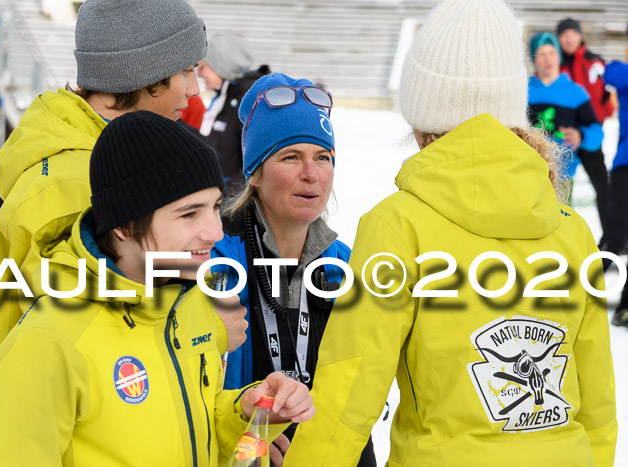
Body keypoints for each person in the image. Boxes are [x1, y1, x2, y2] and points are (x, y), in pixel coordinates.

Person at [285, 1, 617, 466]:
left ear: (422, 112)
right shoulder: (572, 231)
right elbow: (598, 396)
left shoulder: (397, 225)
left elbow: (351, 385)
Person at [0, 111, 315, 466]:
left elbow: (189, 429)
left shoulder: (190, 304)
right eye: (188, 214)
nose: (214, 231)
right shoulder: (48, 342)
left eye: (213, 207)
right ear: (124, 226)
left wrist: (246, 411)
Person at [0, 0, 238, 368]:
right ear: (144, 74)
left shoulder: (122, 158)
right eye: (186, 71)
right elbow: (77, 344)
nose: (195, 89)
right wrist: (209, 329)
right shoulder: (70, 184)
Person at [211, 73, 376, 466]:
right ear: (255, 171)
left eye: (323, 158)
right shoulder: (217, 258)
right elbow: (192, 390)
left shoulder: (342, 264)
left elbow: (360, 386)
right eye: (290, 157)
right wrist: (251, 437)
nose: (311, 174)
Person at [528, 31, 604, 200]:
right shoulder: (524, 91)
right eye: (541, 55)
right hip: (528, 172)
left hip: (562, 175)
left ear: (558, 55)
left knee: (561, 223)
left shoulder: (576, 93)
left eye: (552, 53)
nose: (548, 60)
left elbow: (597, 131)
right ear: (534, 59)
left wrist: (580, 136)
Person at [197, 34, 270, 200]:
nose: (199, 74)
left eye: (203, 67)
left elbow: (257, 165)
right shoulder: (226, 96)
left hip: (232, 206)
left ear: (222, 66)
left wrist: (220, 196)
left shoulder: (249, 101)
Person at [556, 17, 612, 234]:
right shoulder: (554, 63)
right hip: (562, 136)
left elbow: (605, 94)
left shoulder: (593, 62)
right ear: (559, 38)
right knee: (559, 187)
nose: (569, 38)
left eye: (572, 33)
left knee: (602, 185)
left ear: (580, 36)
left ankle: (612, 235)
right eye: (564, 34)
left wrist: (599, 118)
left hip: (588, 134)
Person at [603, 45, 628, 326]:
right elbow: (610, 72)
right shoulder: (619, 71)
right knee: (616, 236)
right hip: (625, 166)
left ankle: (625, 306)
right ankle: (579, 292)